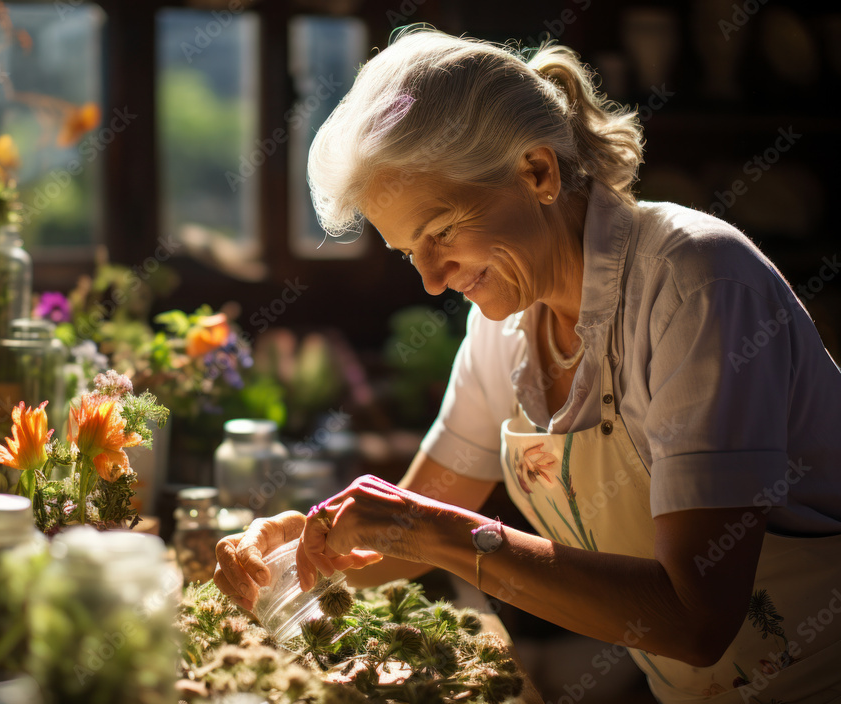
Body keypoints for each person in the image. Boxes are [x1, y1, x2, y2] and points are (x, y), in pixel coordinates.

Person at [214, 28, 841, 703]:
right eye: (407, 252)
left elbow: (695, 619)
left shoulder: (697, 283)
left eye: (441, 231)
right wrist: (303, 541)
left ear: (537, 171)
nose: (429, 279)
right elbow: (405, 535)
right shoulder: (504, 326)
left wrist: (434, 530)